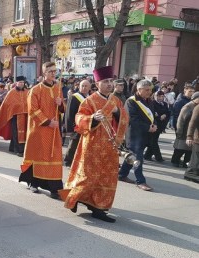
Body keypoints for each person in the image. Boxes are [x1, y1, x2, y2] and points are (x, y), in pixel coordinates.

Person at [61, 65, 129, 223]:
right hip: (92, 144)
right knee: (87, 176)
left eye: (111, 81)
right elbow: (78, 117)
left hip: (110, 145)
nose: (109, 84)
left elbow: (125, 118)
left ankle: (99, 208)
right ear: (97, 84)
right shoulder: (89, 101)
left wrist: (117, 113)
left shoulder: (116, 101)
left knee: (106, 177)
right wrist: (92, 118)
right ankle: (75, 199)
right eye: (106, 81)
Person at [19, 62, 65, 199]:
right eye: (50, 71)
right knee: (38, 156)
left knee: (53, 156)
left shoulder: (58, 88)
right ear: (44, 73)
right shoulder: (36, 90)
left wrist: (61, 104)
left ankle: (55, 188)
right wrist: (48, 122)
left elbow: (62, 109)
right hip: (39, 130)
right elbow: (32, 110)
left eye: (54, 71)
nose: (53, 73)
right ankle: (33, 182)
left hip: (54, 130)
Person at [118, 79, 157, 191]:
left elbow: (152, 116)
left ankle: (122, 174)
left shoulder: (149, 100)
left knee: (132, 157)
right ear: (139, 89)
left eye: (150, 90)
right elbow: (132, 120)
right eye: (147, 90)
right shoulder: (131, 101)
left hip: (146, 134)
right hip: (134, 135)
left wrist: (154, 125)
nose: (149, 92)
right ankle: (141, 181)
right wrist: (148, 127)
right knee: (138, 158)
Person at [0, 76, 28, 156]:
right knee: (16, 133)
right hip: (15, 116)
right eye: (20, 82)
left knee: (24, 133)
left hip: (25, 116)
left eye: (23, 82)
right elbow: (6, 104)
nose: (22, 84)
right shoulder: (11, 92)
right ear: (16, 83)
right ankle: (19, 150)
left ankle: (12, 147)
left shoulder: (27, 92)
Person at [64, 79, 91, 167]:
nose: (84, 88)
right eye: (82, 86)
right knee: (73, 144)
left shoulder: (90, 97)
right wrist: (71, 127)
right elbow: (69, 113)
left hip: (86, 124)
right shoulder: (74, 97)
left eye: (86, 86)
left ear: (89, 87)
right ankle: (68, 161)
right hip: (76, 125)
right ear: (79, 87)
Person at [172, 92, 199, 168]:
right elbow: (180, 120)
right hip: (184, 131)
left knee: (189, 149)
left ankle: (186, 163)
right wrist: (179, 131)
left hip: (191, 131)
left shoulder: (196, 106)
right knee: (180, 148)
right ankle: (175, 161)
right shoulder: (188, 106)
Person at [144, 91, 170, 162]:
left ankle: (147, 155)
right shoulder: (152, 103)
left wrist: (165, 115)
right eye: (159, 96)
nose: (161, 98)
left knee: (153, 141)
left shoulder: (164, 104)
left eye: (162, 96)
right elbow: (152, 114)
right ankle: (158, 157)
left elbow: (168, 112)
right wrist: (159, 117)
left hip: (161, 125)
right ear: (155, 96)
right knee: (153, 142)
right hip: (154, 125)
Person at [185, 100, 199, 183]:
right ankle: (190, 174)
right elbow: (192, 123)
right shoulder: (198, 108)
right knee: (196, 158)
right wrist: (189, 136)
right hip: (197, 138)